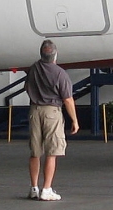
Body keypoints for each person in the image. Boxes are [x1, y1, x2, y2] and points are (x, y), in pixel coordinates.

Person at [26, 40, 79, 201]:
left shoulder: (33, 69)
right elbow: (68, 99)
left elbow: (27, 87)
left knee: (35, 152)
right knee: (52, 152)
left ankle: (34, 188)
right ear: (55, 55)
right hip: (52, 112)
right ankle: (46, 189)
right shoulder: (60, 73)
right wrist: (75, 120)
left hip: (34, 111)